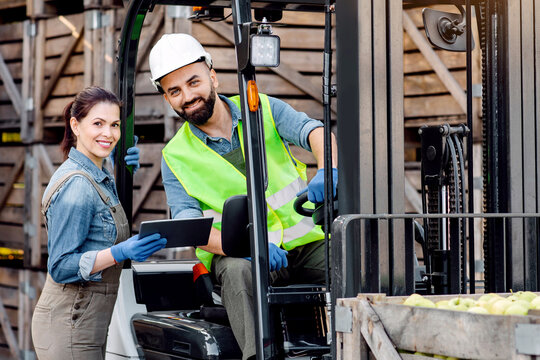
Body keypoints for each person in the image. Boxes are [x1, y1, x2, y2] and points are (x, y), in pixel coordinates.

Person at [149, 34, 337, 359]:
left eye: (193, 82)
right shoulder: (174, 156)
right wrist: (250, 246)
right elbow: (189, 223)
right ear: (167, 99)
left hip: (304, 244)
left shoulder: (262, 107)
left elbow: (314, 131)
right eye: (174, 91)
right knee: (237, 273)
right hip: (242, 256)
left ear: (212, 75)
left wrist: (327, 169)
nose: (188, 96)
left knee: (358, 261)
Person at [31, 86, 167, 360]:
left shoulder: (95, 174)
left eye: (115, 125)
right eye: (98, 124)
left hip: (85, 321)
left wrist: (117, 167)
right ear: (75, 125)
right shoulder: (78, 185)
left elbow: (97, 225)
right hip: (70, 323)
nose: (109, 134)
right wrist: (120, 252)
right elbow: (60, 266)